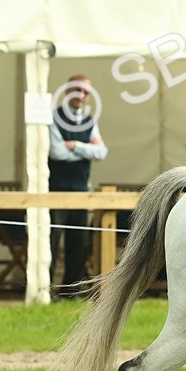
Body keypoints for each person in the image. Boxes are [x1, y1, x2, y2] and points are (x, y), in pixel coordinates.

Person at [48, 75, 108, 298]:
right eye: (77, 90)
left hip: (81, 191)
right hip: (55, 190)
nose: (81, 95)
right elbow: (56, 152)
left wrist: (73, 145)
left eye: (86, 92)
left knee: (78, 240)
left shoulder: (90, 121)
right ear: (67, 91)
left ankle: (70, 291)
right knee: (52, 240)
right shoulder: (53, 118)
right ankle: (46, 290)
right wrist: (86, 149)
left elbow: (101, 152)